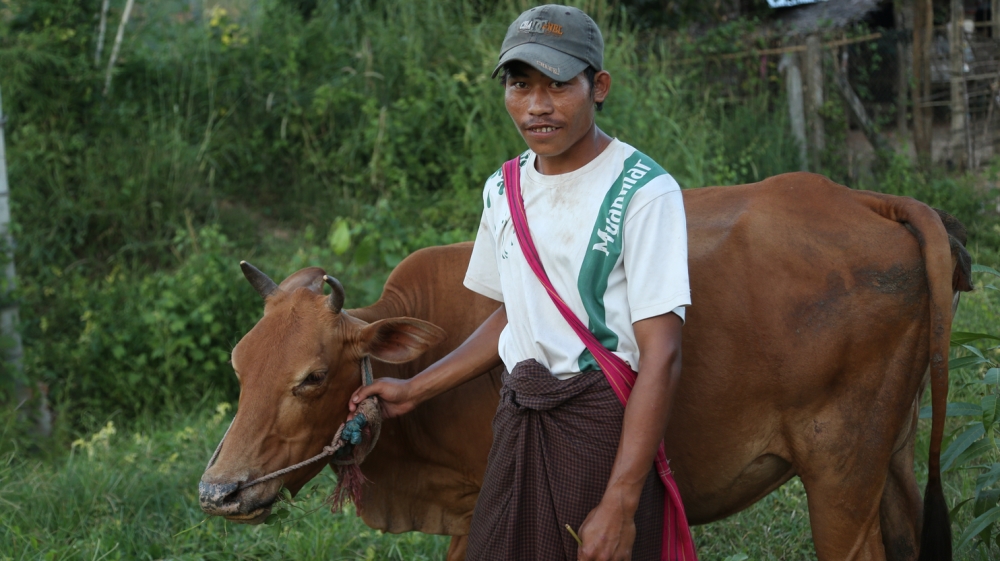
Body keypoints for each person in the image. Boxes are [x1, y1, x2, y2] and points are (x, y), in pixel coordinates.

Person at [350, 5, 693, 560]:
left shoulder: (643, 192)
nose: (537, 105)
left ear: (598, 86)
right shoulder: (502, 188)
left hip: (598, 428)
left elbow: (662, 356)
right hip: (518, 420)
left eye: (559, 84)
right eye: (519, 84)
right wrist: (414, 389)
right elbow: (516, 315)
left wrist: (621, 500)